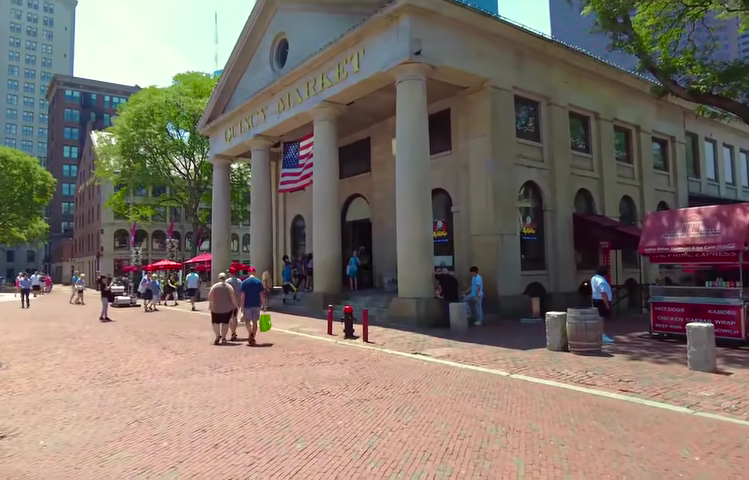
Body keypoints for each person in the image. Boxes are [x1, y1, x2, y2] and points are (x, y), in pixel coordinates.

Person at [208, 272, 240, 345]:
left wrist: (211, 304)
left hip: (216, 308)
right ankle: (224, 337)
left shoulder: (214, 286)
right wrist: (236, 305)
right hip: (227, 308)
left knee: (215, 322)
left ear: (219, 278)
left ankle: (217, 335)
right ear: (225, 278)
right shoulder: (229, 287)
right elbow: (233, 298)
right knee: (225, 323)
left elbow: (210, 296)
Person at [240, 267, 265, 346]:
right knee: (255, 322)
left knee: (247, 321)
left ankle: (250, 333)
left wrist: (242, 306)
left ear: (248, 273)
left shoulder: (244, 282)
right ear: (255, 272)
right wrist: (264, 305)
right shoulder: (259, 282)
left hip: (247, 305)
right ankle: (253, 336)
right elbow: (261, 295)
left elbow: (243, 296)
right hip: (256, 304)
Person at [591, 266, 615, 344]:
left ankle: (599, 334)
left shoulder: (594, 278)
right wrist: (607, 304)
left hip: (596, 299)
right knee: (604, 319)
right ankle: (603, 335)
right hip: (602, 301)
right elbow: (604, 293)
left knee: (599, 318)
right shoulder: (602, 281)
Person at [225, 267, 243, 341]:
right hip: (237, 302)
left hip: (228, 302)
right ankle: (234, 332)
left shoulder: (227, 281)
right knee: (235, 317)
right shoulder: (239, 281)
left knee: (229, 318)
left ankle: (232, 332)